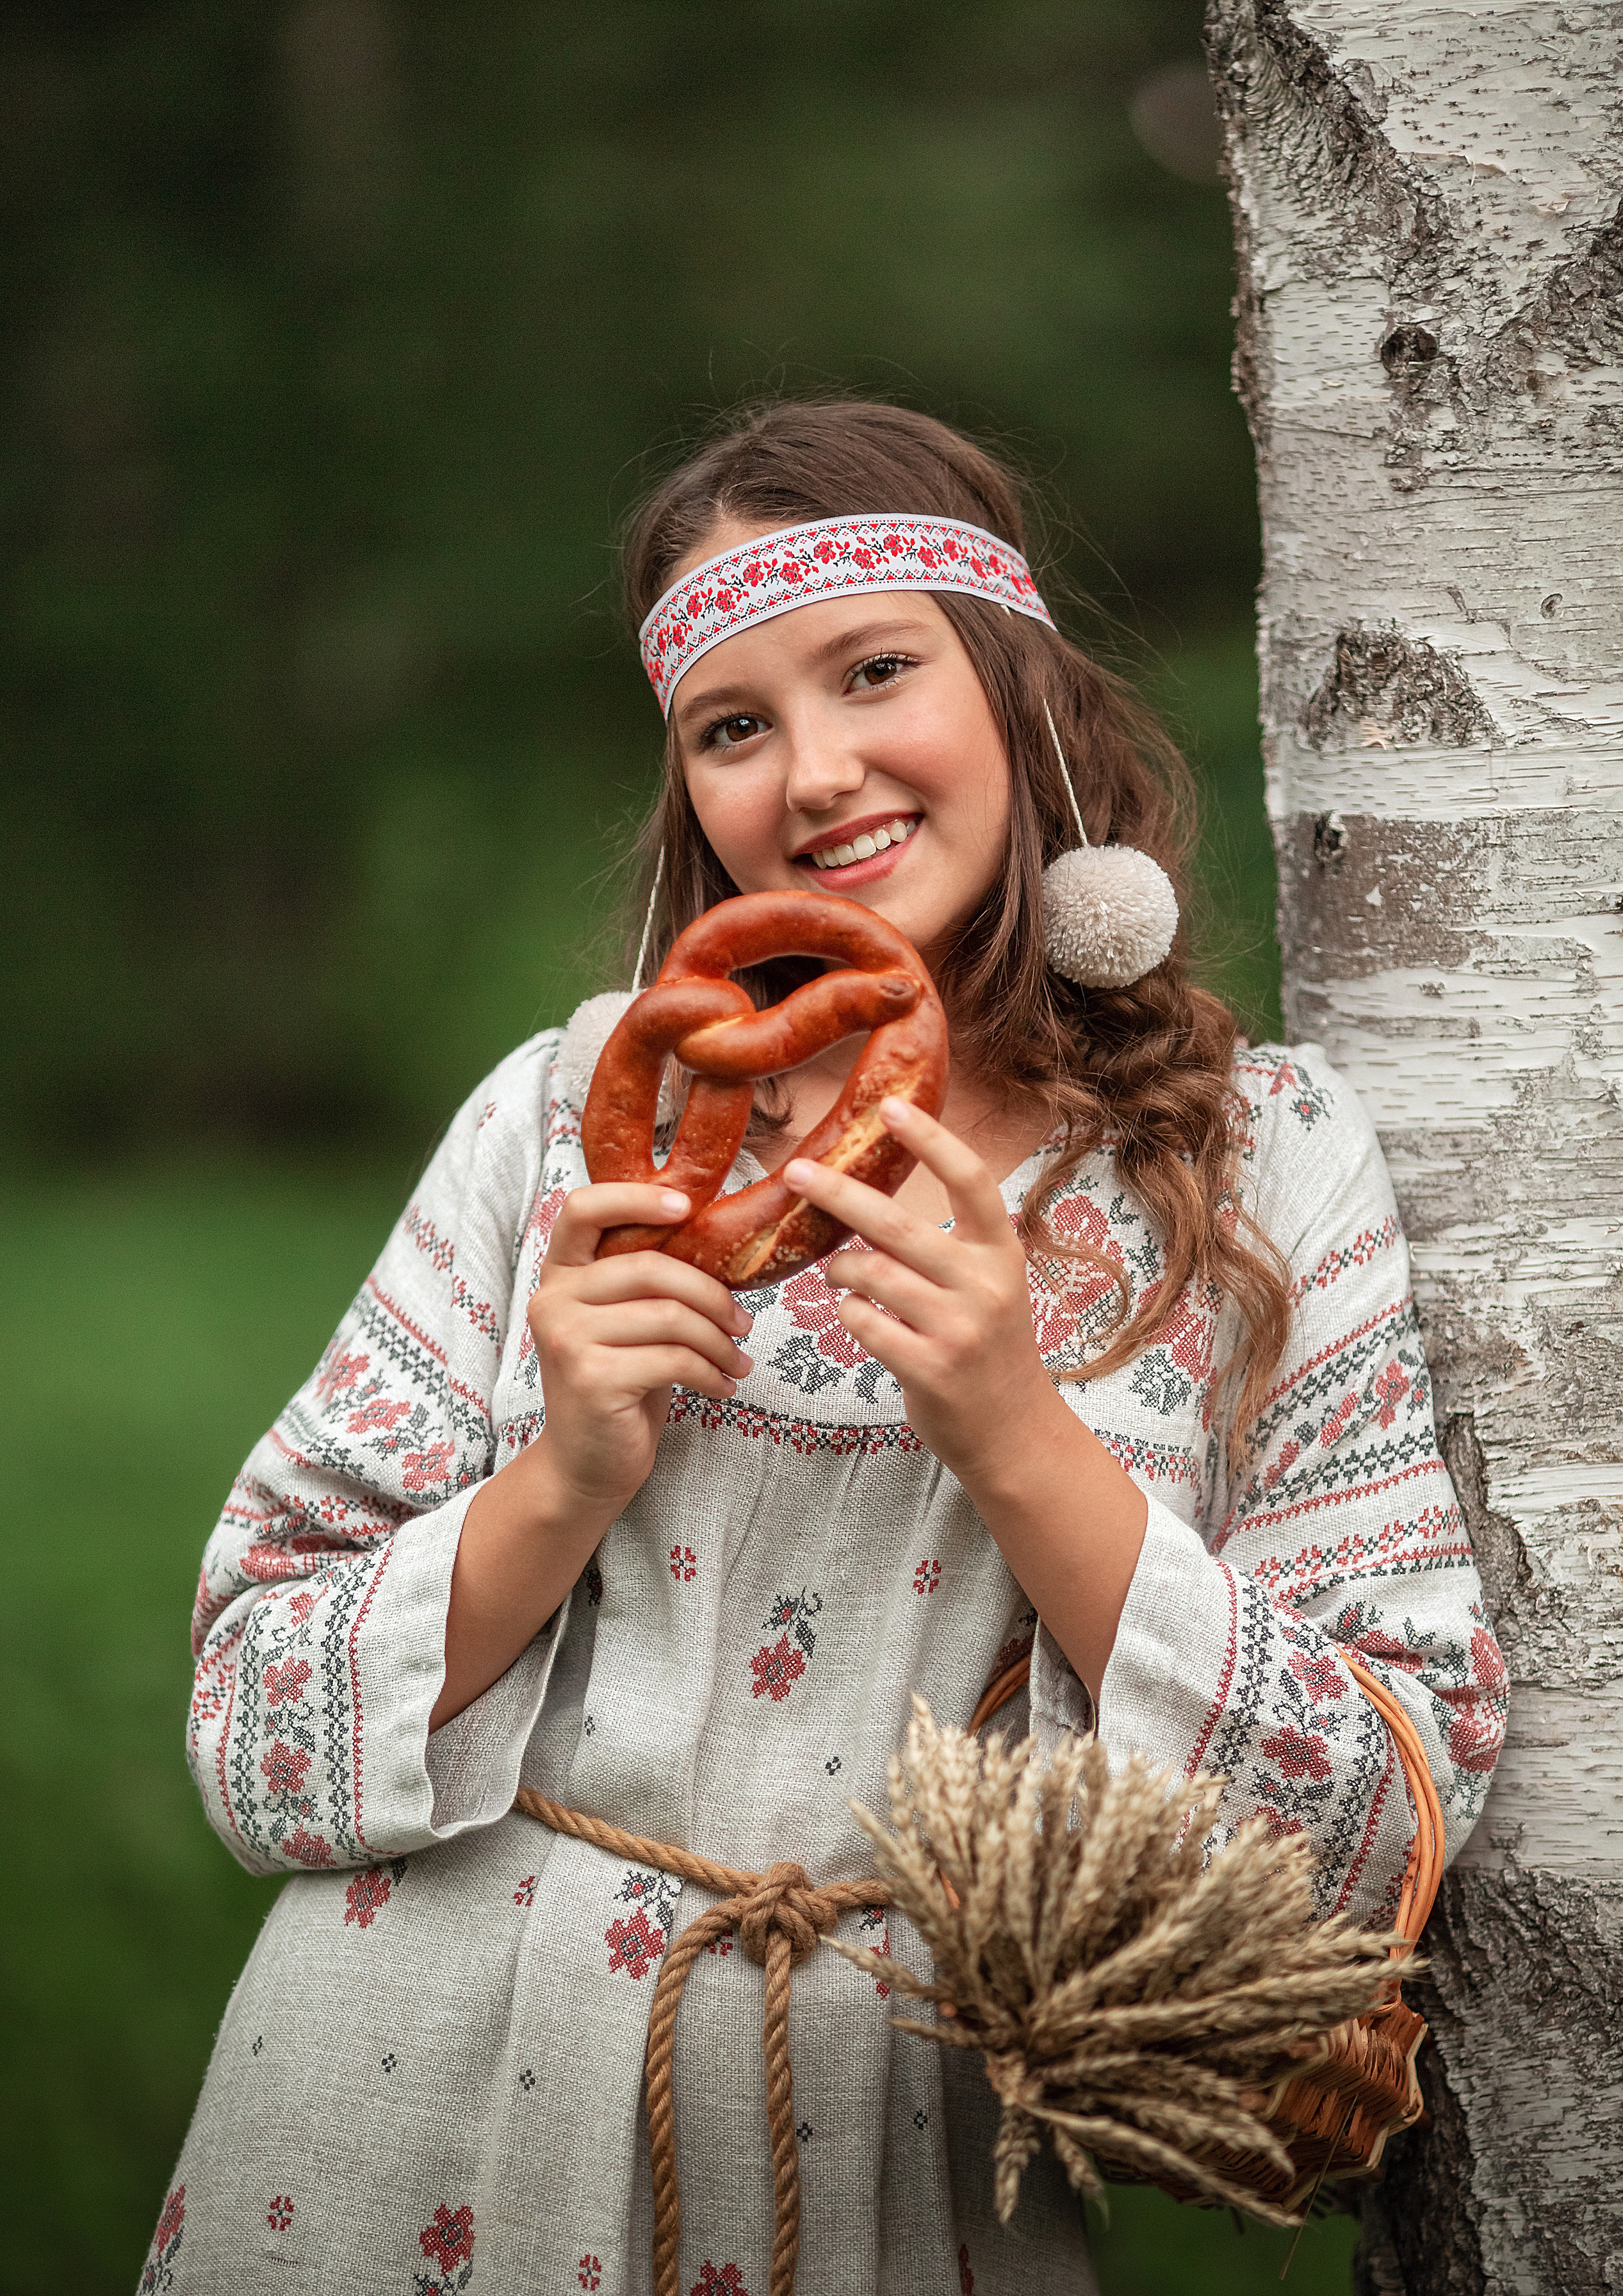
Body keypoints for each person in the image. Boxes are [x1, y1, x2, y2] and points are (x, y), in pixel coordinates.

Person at [144, 401, 1506, 2296]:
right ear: (693, 795)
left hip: (916, 2155)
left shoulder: (1252, 1163)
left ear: (1027, 699)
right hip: (403, 2112)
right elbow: (248, 1734)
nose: (816, 772)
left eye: (878, 671)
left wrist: (1020, 1436)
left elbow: (1382, 1809)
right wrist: (564, 1479)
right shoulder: (566, 1125)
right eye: (734, 725)